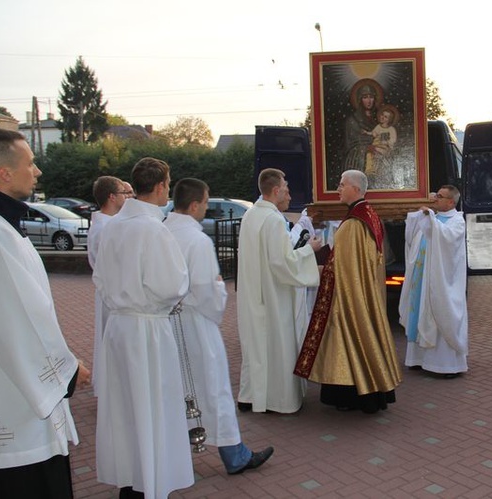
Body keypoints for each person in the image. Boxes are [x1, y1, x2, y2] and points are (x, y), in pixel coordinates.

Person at [0, 128, 91, 498]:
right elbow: (20, 319)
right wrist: (68, 371)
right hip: (9, 401)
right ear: (4, 173)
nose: (38, 171)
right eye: (30, 163)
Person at [93, 157, 193, 498]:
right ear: (162, 185)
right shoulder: (152, 229)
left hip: (119, 328)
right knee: (151, 408)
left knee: (126, 412)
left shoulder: (112, 226)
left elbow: (100, 279)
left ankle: (132, 480)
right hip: (148, 331)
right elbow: (171, 285)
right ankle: (150, 483)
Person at [164, 178, 274, 474]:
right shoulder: (197, 240)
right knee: (215, 387)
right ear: (196, 204)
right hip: (196, 322)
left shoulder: (161, 232)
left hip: (166, 324)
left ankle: (175, 452)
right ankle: (234, 455)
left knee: (176, 389)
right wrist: (219, 296)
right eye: (207, 199)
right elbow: (206, 289)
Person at [295, 170, 403, 413]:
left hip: (348, 294)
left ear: (355, 188)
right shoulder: (368, 215)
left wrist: (321, 268)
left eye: (342, 184)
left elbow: (342, 266)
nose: (338, 189)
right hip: (364, 292)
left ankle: (351, 396)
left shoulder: (354, 223)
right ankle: (370, 392)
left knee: (347, 337)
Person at [236, 168, 322, 414]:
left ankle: (251, 395)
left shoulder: (252, 215)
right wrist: (310, 250)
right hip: (272, 295)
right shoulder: (272, 220)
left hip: (254, 291)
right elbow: (282, 262)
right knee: (276, 344)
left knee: (256, 347)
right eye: (285, 189)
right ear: (275, 191)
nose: (288, 194)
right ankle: (278, 400)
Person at [398, 185, 468, 377]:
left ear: (451, 202)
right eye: (435, 195)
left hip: (442, 283)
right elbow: (413, 237)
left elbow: (447, 239)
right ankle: (418, 358)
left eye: (440, 196)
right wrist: (419, 217)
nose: (435, 198)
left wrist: (429, 218)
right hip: (422, 278)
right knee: (419, 311)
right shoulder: (434, 217)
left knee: (440, 312)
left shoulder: (457, 221)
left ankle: (444, 365)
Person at [87, 175, 129, 395]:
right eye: (123, 192)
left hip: (111, 291)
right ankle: (110, 387)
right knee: (111, 343)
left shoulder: (108, 224)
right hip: (112, 293)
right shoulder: (106, 228)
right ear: (112, 197)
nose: (127, 197)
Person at [344, 78, 382, 172]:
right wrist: (366, 148)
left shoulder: (381, 118)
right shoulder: (353, 121)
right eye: (365, 97)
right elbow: (350, 147)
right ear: (360, 100)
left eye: (371, 97)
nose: (369, 101)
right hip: (359, 163)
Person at [364, 103, 398, 178]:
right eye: (382, 115)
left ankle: (378, 171)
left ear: (389, 120)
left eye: (385, 117)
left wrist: (386, 142)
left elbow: (393, 140)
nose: (382, 117)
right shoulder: (378, 126)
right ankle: (369, 169)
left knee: (377, 155)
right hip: (376, 145)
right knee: (369, 153)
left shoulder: (391, 129)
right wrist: (367, 133)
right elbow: (374, 133)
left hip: (385, 147)